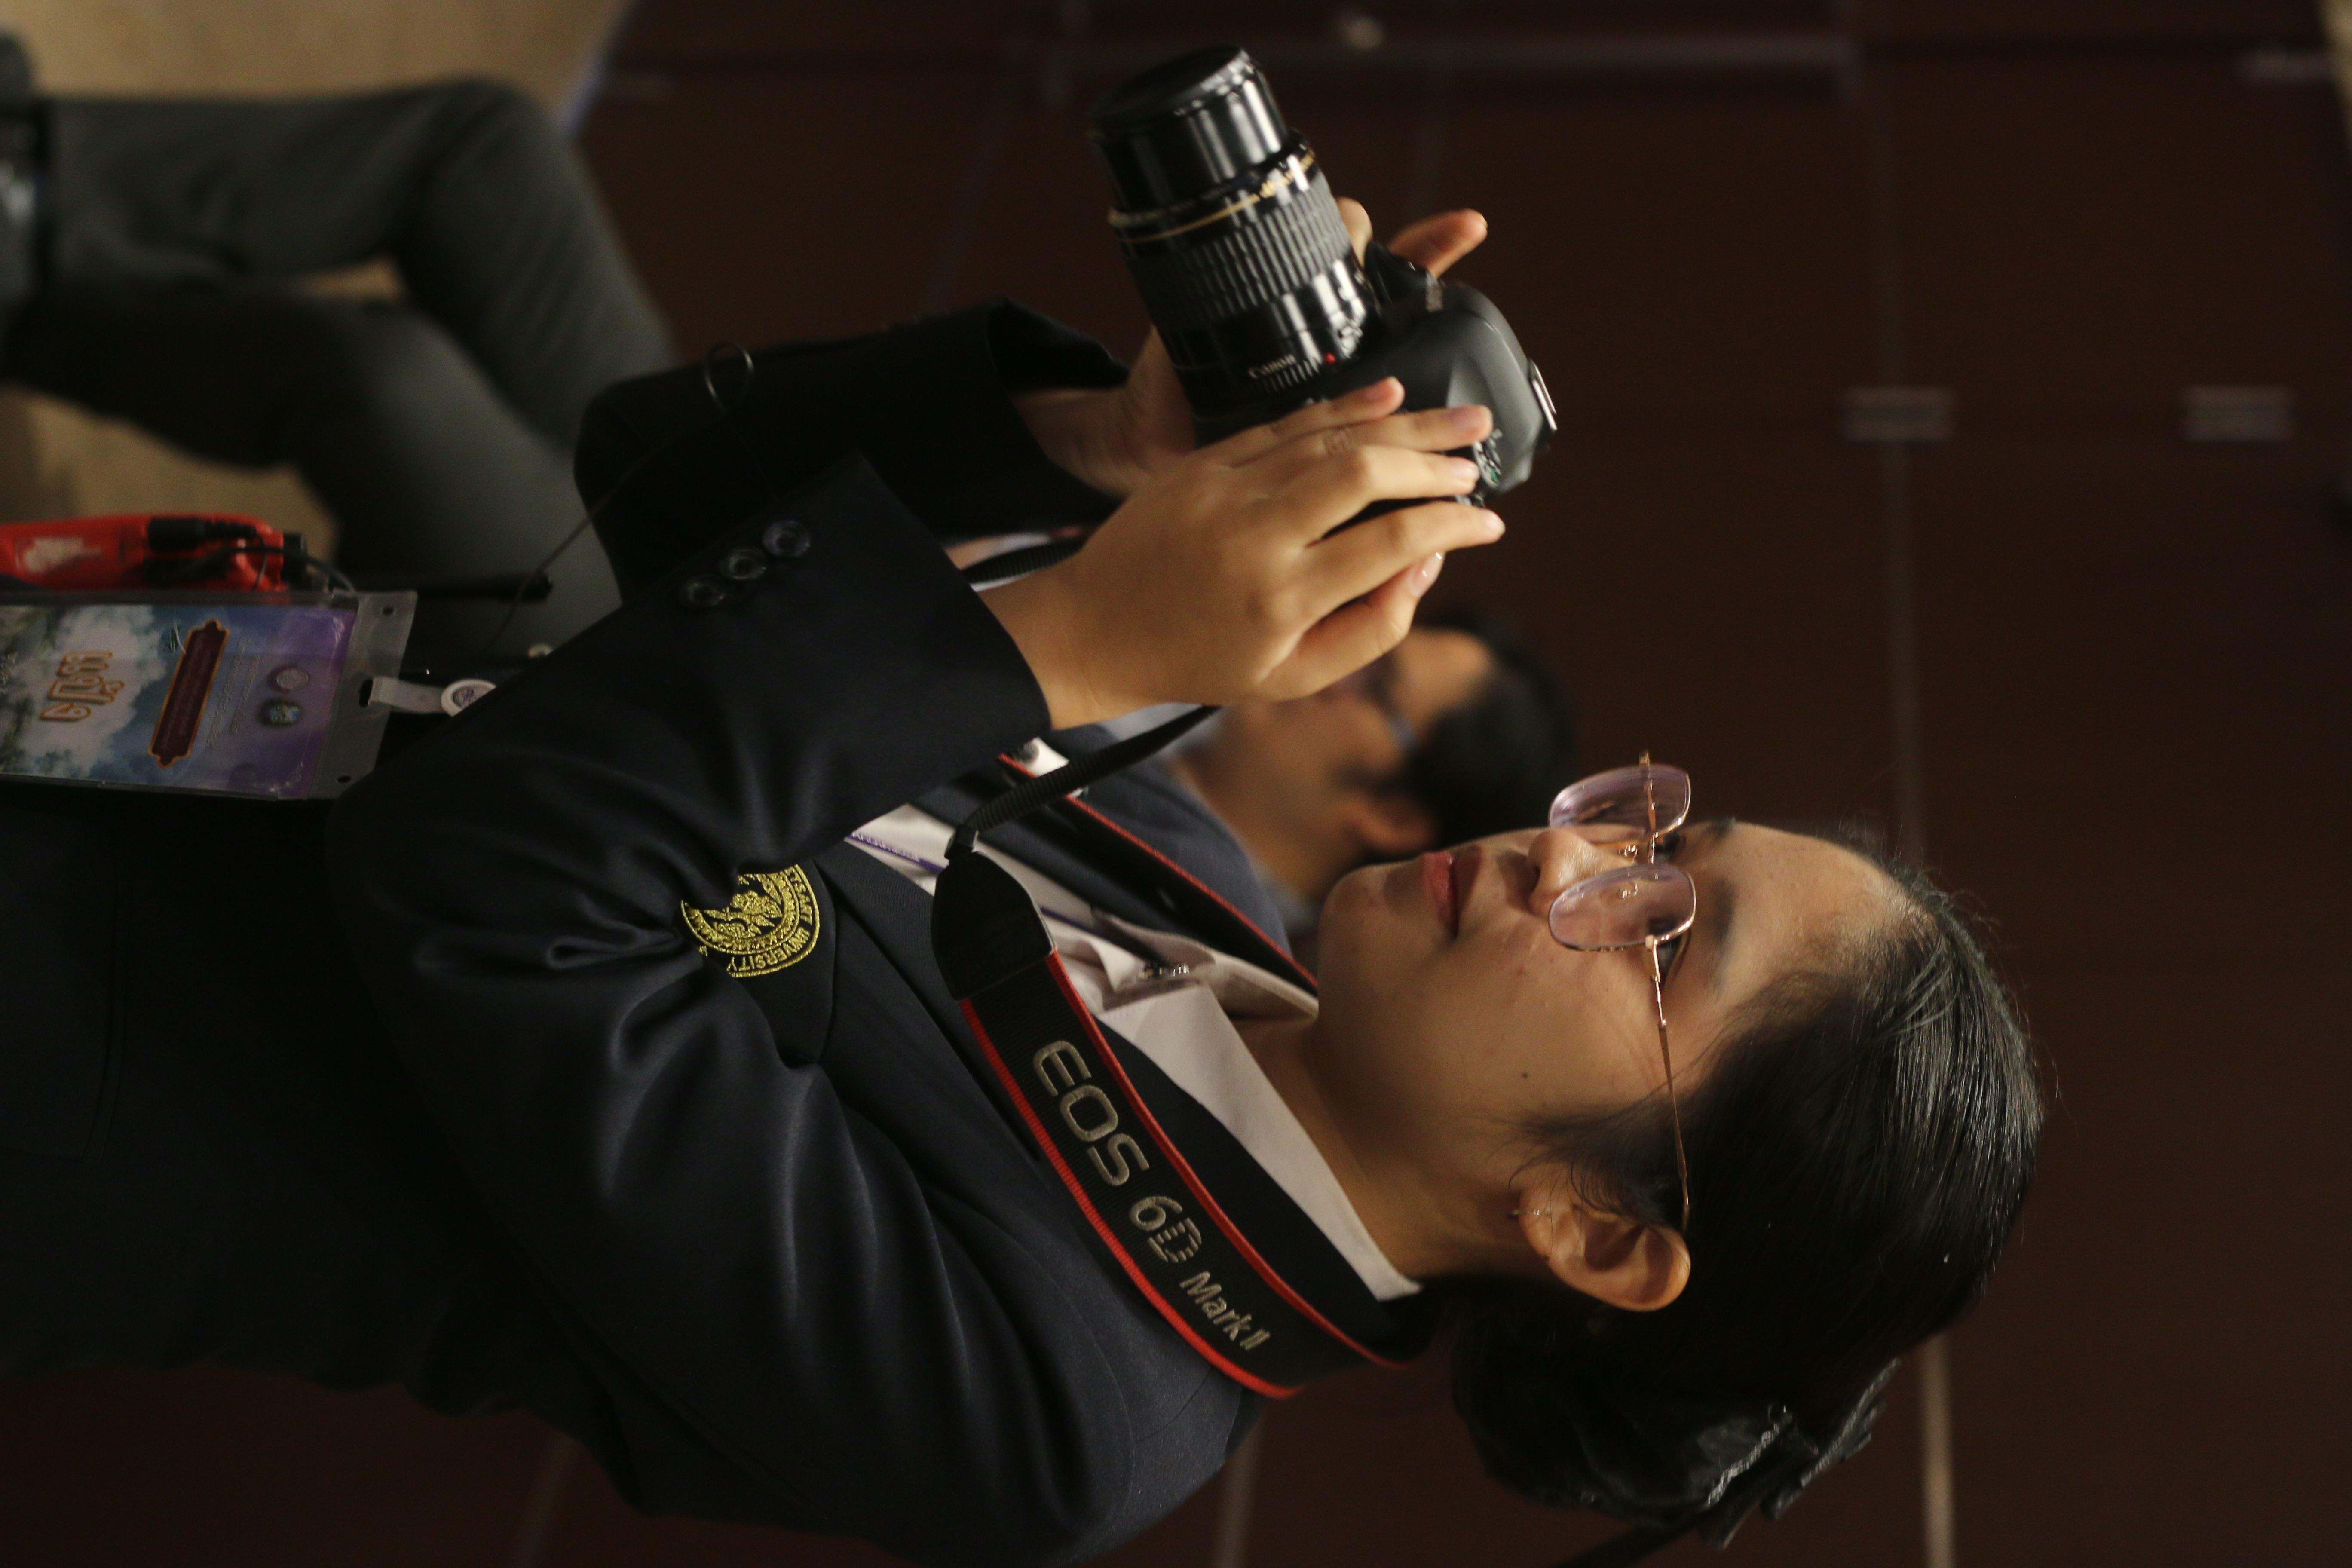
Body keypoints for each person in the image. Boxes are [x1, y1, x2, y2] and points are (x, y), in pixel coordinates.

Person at [0, 205, 2043, 1568]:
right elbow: (658, 500)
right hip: (123, 719)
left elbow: (480, 879)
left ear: (1597, 1232)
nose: (1574, 852)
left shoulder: (1057, 1408)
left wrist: (1069, 641)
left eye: (1662, 929)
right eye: (1657, 830)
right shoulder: (1188, 868)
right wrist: (1092, 448)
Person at [0, 41, 671, 658]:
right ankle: (30, 193)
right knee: (488, 146)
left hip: (641, 662)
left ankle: (26, 291)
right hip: (688, 512)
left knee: (388, 379)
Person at [1163, 606, 1577, 949]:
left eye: (1375, 684)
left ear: (1392, 817)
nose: (1332, 662)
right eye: (1361, 645)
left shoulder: (1197, 943)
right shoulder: (1177, 681)